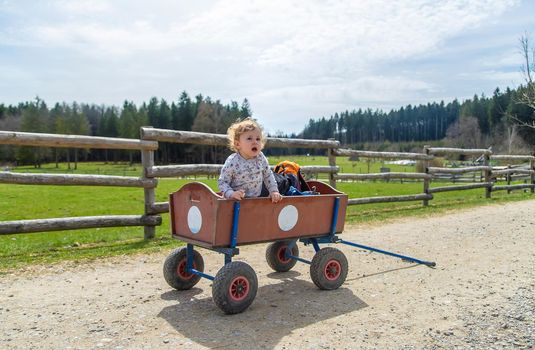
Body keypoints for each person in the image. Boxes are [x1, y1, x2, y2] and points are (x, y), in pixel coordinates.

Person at [218, 118, 283, 203]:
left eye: (258, 139)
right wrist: (231, 193)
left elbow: (268, 175)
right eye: (249, 138)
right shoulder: (233, 162)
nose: (255, 142)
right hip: (235, 201)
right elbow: (223, 182)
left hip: (255, 200)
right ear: (238, 144)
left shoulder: (260, 158)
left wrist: (274, 191)